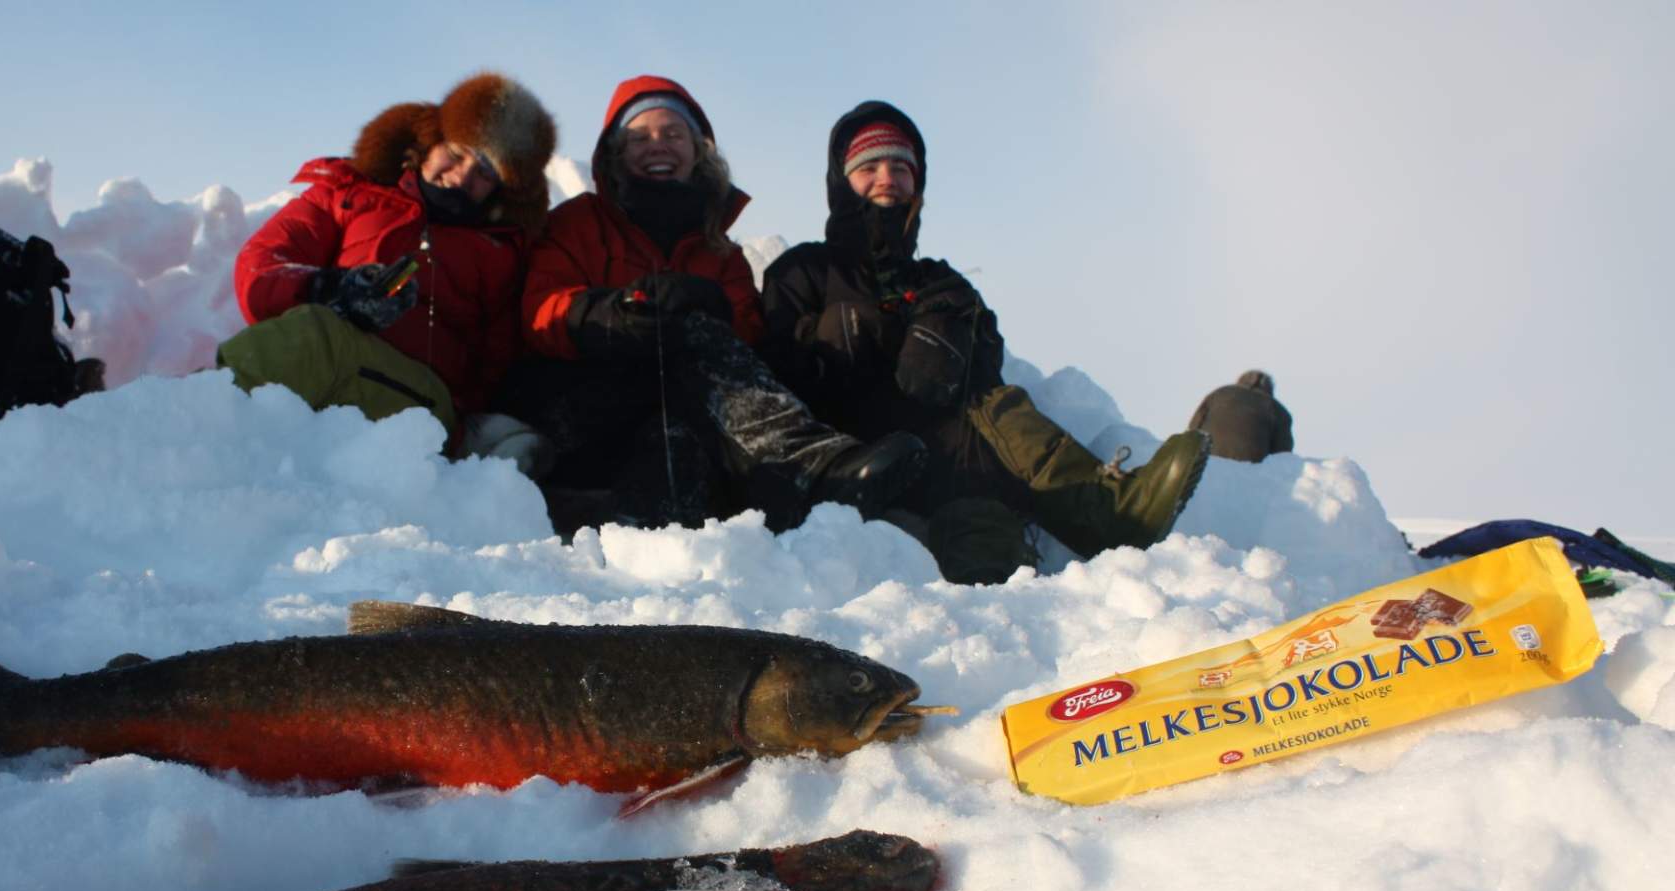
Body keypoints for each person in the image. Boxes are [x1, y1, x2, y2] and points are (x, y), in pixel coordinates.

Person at [761, 102, 1211, 580]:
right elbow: (782, 375)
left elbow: (985, 375)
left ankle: (1103, 514)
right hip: (856, 462)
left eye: (900, 167)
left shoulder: (941, 281)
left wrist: (950, 320)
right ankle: (1098, 510)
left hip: (953, 472)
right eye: (869, 167)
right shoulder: (804, 271)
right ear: (841, 181)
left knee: (991, 553)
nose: (887, 178)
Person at [499, 75, 927, 532]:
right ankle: (807, 467)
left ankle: (647, 554)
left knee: (677, 441)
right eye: (639, 137)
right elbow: (540, 311)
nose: (657, 145)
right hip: (579, 405)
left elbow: (747, 345)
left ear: (698, 149)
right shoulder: (578, 223)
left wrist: (717, 307)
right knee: (686, 329)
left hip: (664, 418)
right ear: (615, 153)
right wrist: (613, 314)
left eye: (673, 134)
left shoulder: (718, 250)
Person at [227, 72, 556, 465]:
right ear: (431, 142)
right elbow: (262, 264)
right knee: (312, 336)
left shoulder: (502, 251)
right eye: (458, 151)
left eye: (486, 171)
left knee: (314, 339)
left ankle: (200, 428)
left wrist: (463, 418)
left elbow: (498, 359)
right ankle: (192, 422)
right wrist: (330, 288)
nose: (464, 174)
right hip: (317, 358)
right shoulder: (347, 192)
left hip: (417, 398)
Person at [1189, 369, 1293, 463]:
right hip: (1246, 471)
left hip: (1205, 462)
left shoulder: (1220, 393)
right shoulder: (1278, 410)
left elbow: (1193, 427)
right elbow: (1283, 457)